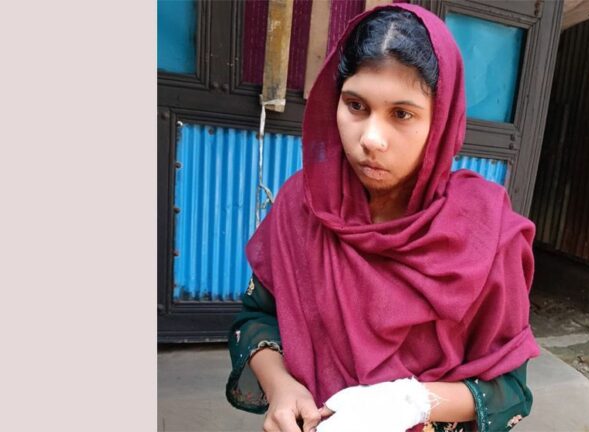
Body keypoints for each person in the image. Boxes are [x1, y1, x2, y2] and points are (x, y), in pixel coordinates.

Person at [226, 4, 539, 432]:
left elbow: (509, 388)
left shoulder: (489, 231)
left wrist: (411, 402)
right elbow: (256, 318)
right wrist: (281, 387)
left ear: (441, 121)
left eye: (402, 114)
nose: (371, 138)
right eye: (356, 105)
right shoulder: (303, 206)